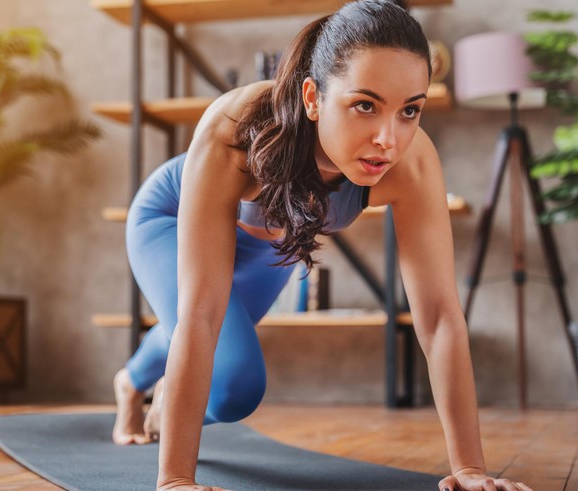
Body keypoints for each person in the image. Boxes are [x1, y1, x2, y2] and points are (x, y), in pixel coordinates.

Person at [112, 1, 534, 490]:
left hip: (271, 243)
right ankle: (134, 385)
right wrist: (175, 482)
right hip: (167, 219)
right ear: (313, 98)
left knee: (224, 376)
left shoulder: (411, 163)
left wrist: (469, 470)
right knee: (233, 382)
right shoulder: (236, 128)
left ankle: (141, 384)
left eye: (410, 111)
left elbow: (439, 317)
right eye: (364, 105)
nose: (388, 140)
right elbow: (201, 314)